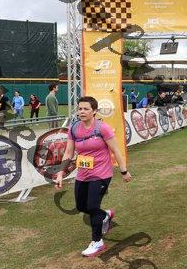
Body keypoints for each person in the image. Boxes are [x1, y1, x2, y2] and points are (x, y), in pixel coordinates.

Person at [54, 96, 132, 257]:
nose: (82, 112)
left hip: (101, 174)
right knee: (81, 206)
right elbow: (68, 152)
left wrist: (124, 171)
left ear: (94, 111)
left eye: (86, 109)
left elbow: (116, 150)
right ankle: (105, 215)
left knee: (92, 207)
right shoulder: (74, 128)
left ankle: (97, 242)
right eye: (80, 108)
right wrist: (61, 172)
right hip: (83, 174)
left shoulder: (103, 128)